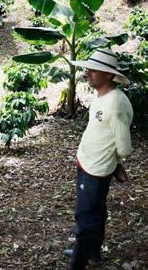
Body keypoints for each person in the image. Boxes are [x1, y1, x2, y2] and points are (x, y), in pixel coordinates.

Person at [64, 48, 133, 269]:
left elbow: (123, 146)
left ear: (109, 75)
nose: (88, 73)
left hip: (97, 168)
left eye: (95, 70)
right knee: (96, 211)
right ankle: (91, 254)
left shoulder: (115, 104)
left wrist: (117, 163)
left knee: (85, 217)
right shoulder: (103, 96)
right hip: (89, 162)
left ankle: (78, 262)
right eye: (89, 68)